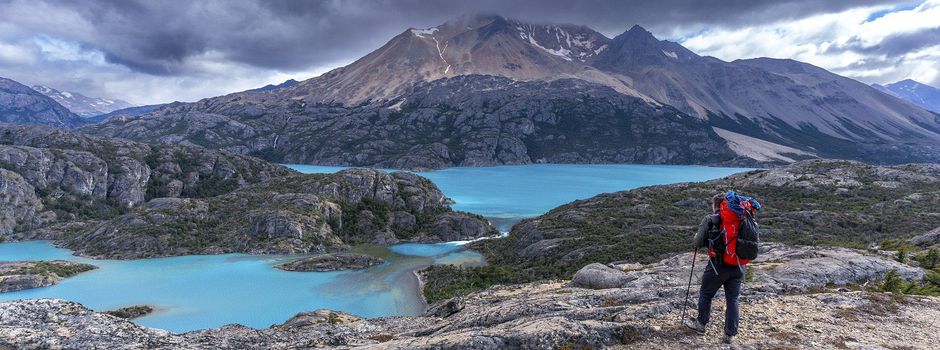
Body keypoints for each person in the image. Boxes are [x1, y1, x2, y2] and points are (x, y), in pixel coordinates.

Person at [686, 192, 761, 346]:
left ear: (717, 205)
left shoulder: (711, 219)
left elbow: (697, 242)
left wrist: (700, 237)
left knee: (706, 294)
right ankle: (729, 335)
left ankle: (700, 325)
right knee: (732, 299)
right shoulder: (743, 217)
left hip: (718, 265)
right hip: (739, 266)